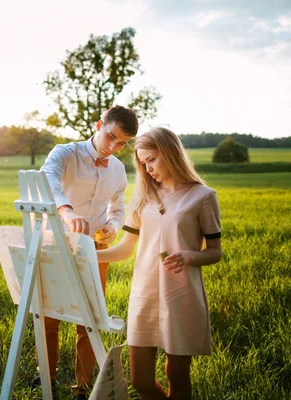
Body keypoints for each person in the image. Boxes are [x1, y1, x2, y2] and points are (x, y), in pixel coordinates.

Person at [97, 127, 222, 400]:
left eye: (152, 159)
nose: (147, 168)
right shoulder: (143, 198)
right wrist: (87, 256)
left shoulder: (203, 196)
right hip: (144, 294)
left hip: (181, 295)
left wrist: (190, 256)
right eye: (143, 162)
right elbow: (124, 249)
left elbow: (215, 252)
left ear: (170, 153)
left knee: (176, 374)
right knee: (139, 379)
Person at [37, 105, 139, 400]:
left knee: (90, 317)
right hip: (55, 241)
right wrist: (66, 211)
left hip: (96, 248)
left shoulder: (118, 170)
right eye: (110, 137)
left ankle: (82, 386)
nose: (113, 147)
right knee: (49, 315)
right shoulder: (65, 153)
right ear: (98, 125)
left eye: (121, 143)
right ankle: (46, 376)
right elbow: (48, 179)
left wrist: (113, 225)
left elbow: (118, 208)